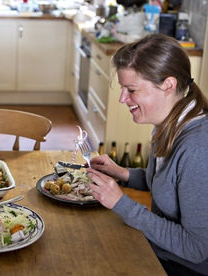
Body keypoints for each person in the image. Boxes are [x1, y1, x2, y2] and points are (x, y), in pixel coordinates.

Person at [86, 33, 208, 275]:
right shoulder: (167, 123)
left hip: (184, 267)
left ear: (168, 85)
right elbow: (168, 184)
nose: (123, 98)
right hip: (159, 248)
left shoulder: (197, 150)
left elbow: (197, 249)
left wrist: (121, 204)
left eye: (131, 89)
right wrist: (123, 174)